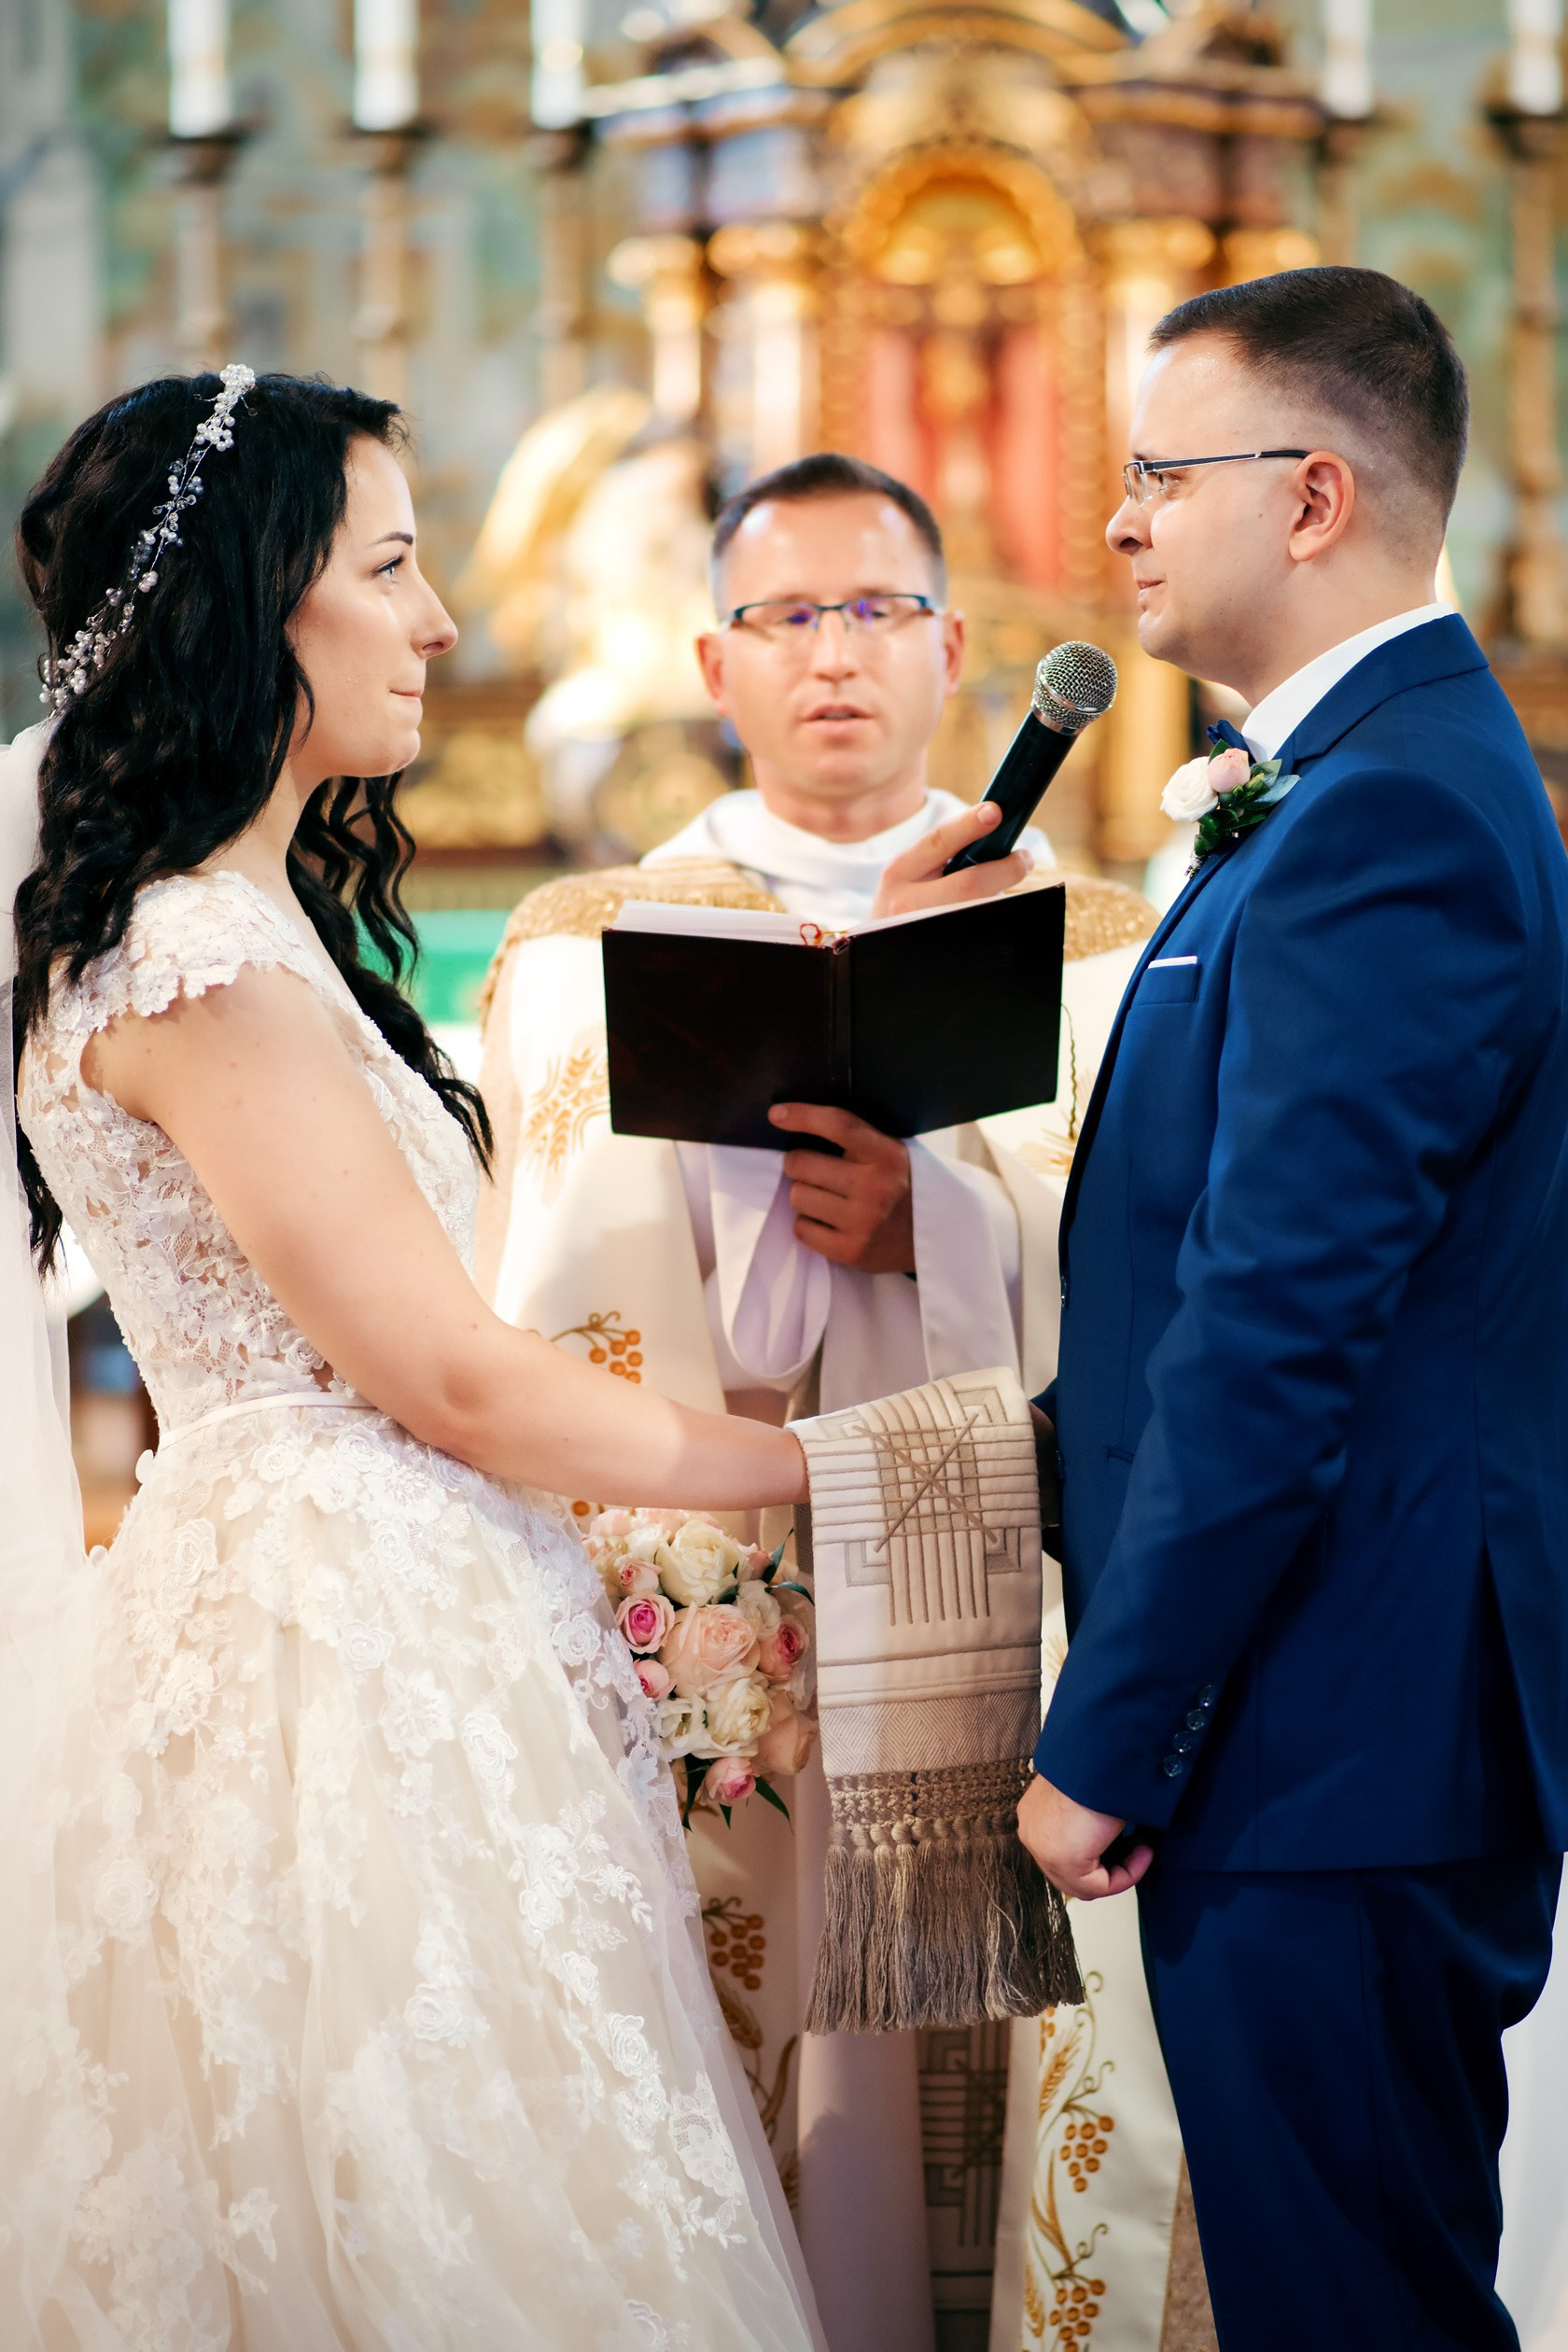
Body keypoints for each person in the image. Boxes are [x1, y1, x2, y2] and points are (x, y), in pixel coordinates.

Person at [3, 368, 829, 2351]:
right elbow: (443, 1377)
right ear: (248, 599)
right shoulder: (194, 962)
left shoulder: (262, 926)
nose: (443, 620)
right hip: (329, 1654)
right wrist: (826, 1465)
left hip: (394, 1602)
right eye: (389, 567)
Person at [475, 453, 1180, 2352]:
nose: (835, 655)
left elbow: (1155, 1265)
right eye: (786, 616)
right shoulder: (580, 943)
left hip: (1014, 1601)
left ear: (956, 647)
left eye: (876, 610)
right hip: (718, 1611)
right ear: (715, 660)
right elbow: (545, 1274)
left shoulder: (1107, 945)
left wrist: (934, 1224)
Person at [1017, 265, 1568, 2351]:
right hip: (1334, 1712)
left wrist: (1114, 1731)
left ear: (1314, 495)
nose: (1122, 519)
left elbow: (1278, 1320)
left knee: (1355, 2310)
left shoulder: (1387, 815)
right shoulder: (1355, 784)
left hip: (1335, 1726)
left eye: (1162, 473)